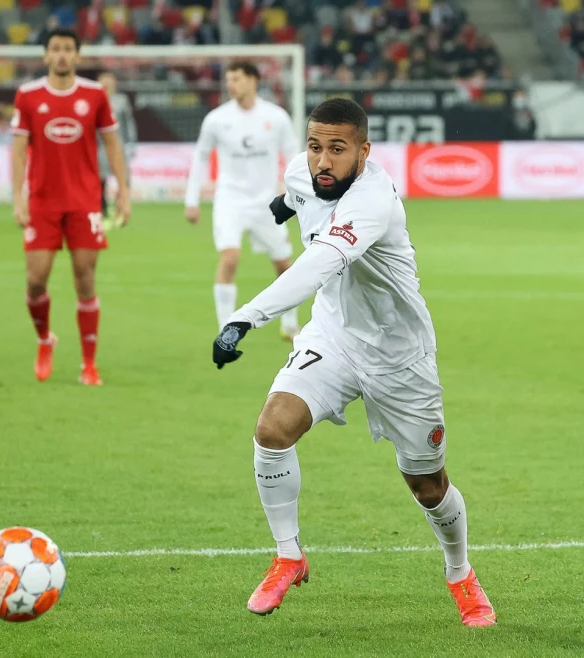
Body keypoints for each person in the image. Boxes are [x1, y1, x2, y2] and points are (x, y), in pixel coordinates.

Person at [210, 98, 495, 627]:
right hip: (334, 336)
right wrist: (285, 203)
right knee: (272, 430)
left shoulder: (372, 201)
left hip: (400, 356)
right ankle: (288, 556)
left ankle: (461, 575)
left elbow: (319, 262)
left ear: (364, 152)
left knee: (427, 485)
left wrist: (246, 318)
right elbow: (300, 189)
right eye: (315, 146)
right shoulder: (305, 171)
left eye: (337, 150)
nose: (323, 160)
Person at [11, 28, 130, 386]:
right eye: (55, 49)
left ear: (77, 56)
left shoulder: (94, 95)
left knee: (85, 279)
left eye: (68, 49)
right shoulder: (28, 96)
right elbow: (18, 150)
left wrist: (123, 190)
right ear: (46, 55)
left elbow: (111, 144)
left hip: (84, 201)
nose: (62, 55)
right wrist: (17, 196)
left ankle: (88, 365)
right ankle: (45, 339)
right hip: (43, 201)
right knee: (35, 281)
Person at [185, 61, 303, 339]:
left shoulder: (276, 117)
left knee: (284, 265)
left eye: (237, 78)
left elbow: (294, 158)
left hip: (266, 204)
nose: (231, 84)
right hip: (230, 201)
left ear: (252, 81)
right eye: (229, 79)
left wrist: (297, 196)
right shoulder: (217, 119)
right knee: (230, 258)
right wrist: (192, 199)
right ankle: (226, 327)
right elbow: (200, 157)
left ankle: (289, 324)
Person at [96, 71, 137, 222]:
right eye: (103, 80)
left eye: (109, 80)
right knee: (100, 178)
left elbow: (128, 123)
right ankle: (102, 207)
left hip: (118, 145)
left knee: (124, 177)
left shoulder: (121, 100)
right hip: (99, 146)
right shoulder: (93, 100)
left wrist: (131, 142)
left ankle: (123, 204)